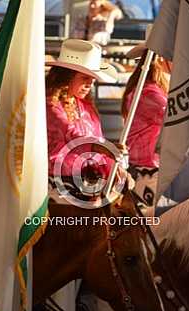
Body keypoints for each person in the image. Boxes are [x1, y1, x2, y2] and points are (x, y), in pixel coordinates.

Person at [45, 38, 126, 203]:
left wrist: (111, 163)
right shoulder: (50, 105)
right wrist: (104, 148)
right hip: (58, 182)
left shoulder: (86, 107)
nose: (90, 83)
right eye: (84, 78)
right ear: (68, 77)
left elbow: (97, 139)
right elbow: (71, 134)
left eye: (92, 79)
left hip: (88, 180)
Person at [122, 37, 171, 213]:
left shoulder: (148, 90)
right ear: (159, 59)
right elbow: (174, 115)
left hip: (147, 166)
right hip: (149, 169)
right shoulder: (149, 93)